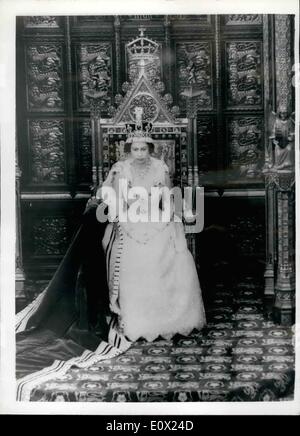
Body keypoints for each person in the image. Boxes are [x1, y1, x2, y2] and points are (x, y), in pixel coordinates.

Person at [95, 133, 206, 342]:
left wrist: (174, 218)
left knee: (169, 253)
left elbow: (168, 196)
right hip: (130, 219)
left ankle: (169, 319)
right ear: (129, 150)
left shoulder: (160, 167)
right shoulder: (122, 168)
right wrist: (111, 178)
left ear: (150, 149)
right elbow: (106, 195)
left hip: (156, 217)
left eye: (143, 149)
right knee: (132, 256)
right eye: (135, 150)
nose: (139, 154)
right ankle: (134, 319)